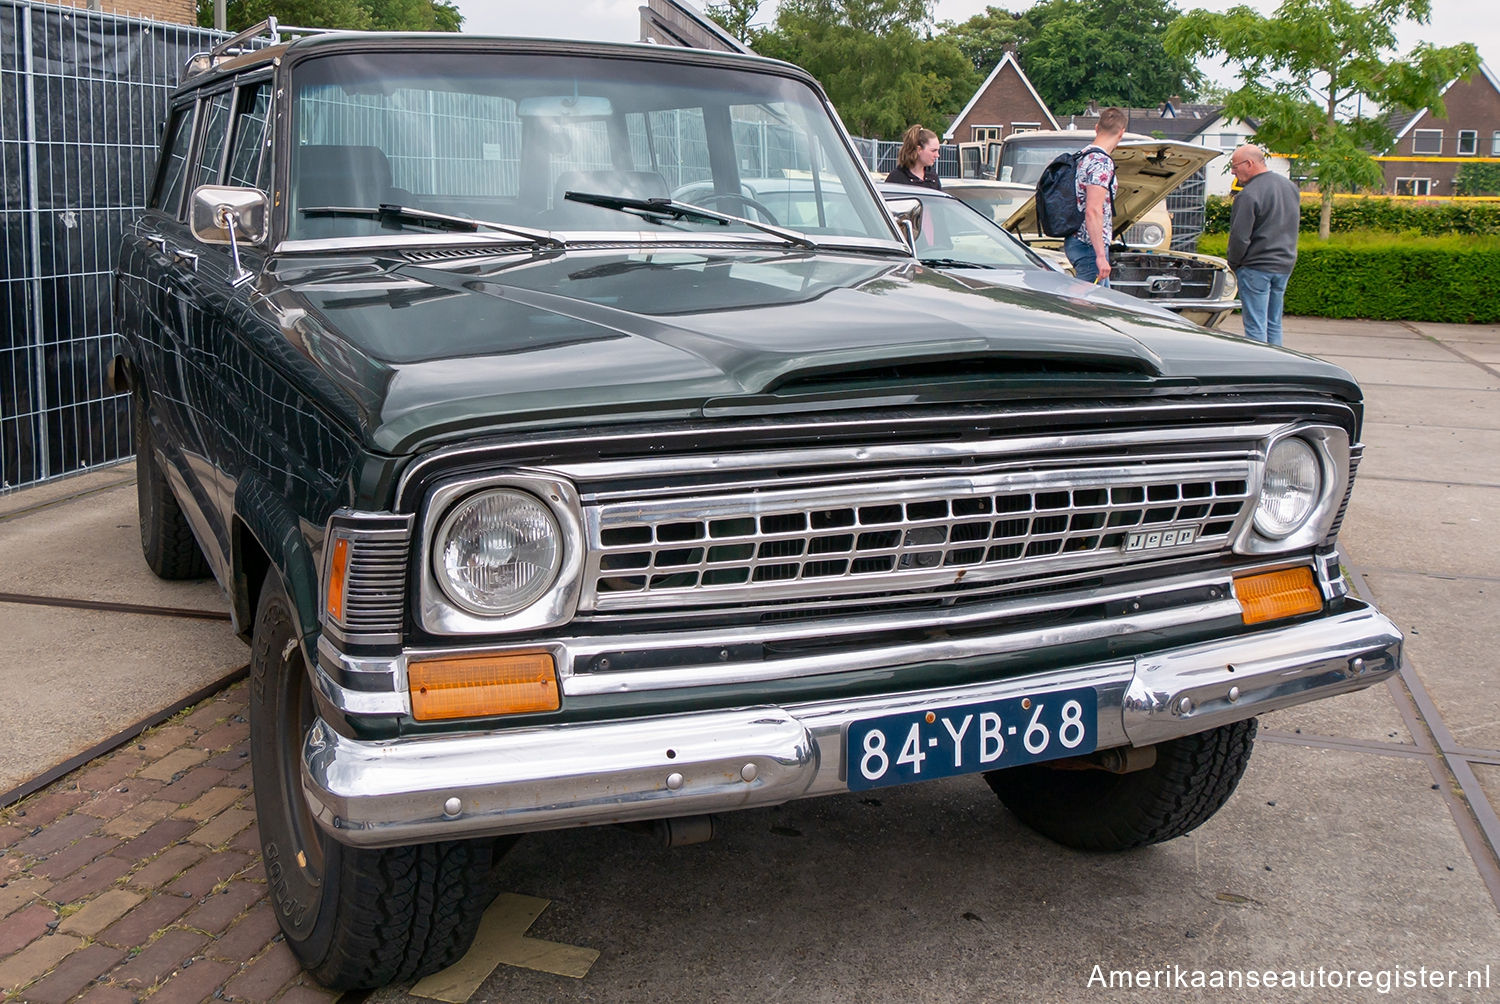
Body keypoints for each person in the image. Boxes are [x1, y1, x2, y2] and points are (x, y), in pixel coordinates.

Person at [1226, 144, 1300, 346]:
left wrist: (1233, 263)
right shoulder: (1290, 187)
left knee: (1255, 326)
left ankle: (1258, 369)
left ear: (1249, 163)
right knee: (1274, 323)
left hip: (1255, 267)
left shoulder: (1248, 195)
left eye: (1235, 165)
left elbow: (1240, 238)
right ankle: (1277, 367)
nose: (1233, 171)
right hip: (1284, 265)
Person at [1064, 107, 1127, 285]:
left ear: (1097, 127)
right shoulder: (1101, 162)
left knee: (1099, 306)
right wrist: (1100, 255)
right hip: (1089, 245)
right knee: (1086, 307)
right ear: (1121, 133)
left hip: (1076, 239)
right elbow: (1093, 210)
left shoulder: (1082, 156)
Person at [886, 125, 942, 189]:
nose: (937, 155)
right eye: (933, 151)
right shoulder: (896, 178)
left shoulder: (933, 177)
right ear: (919, 150)